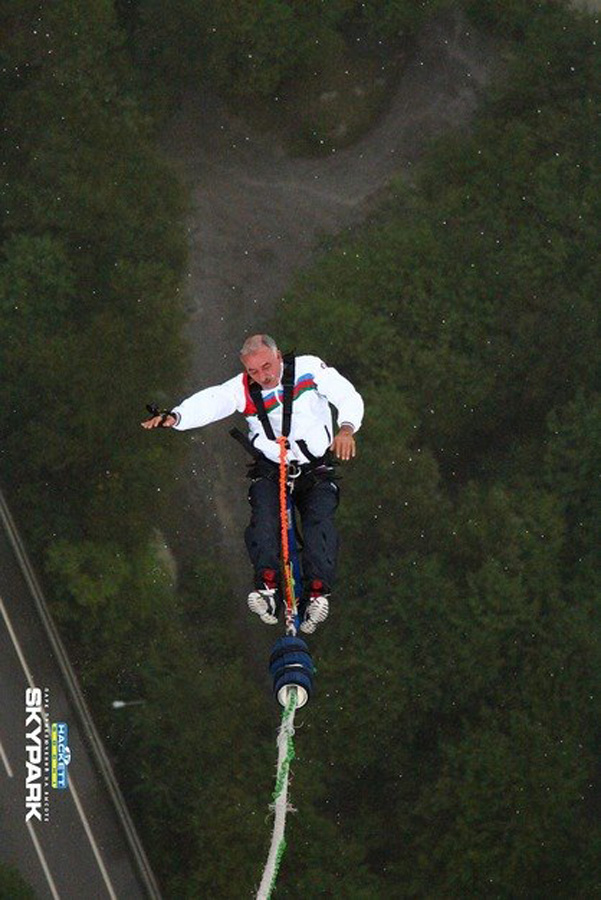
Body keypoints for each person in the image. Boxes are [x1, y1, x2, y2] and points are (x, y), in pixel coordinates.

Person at [142, 334, 364, 634]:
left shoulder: (309, 370)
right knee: (263, 519)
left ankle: (316, 593)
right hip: (273, 468)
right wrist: (177, 417)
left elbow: (346, 395)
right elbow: (213, 401)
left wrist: (347, 428)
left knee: (319, 522)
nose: (263, 377)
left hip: (315, 468)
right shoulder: (243, 389)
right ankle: (267, 587)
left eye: (267, 367)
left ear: (279, 357)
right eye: (253, 372)